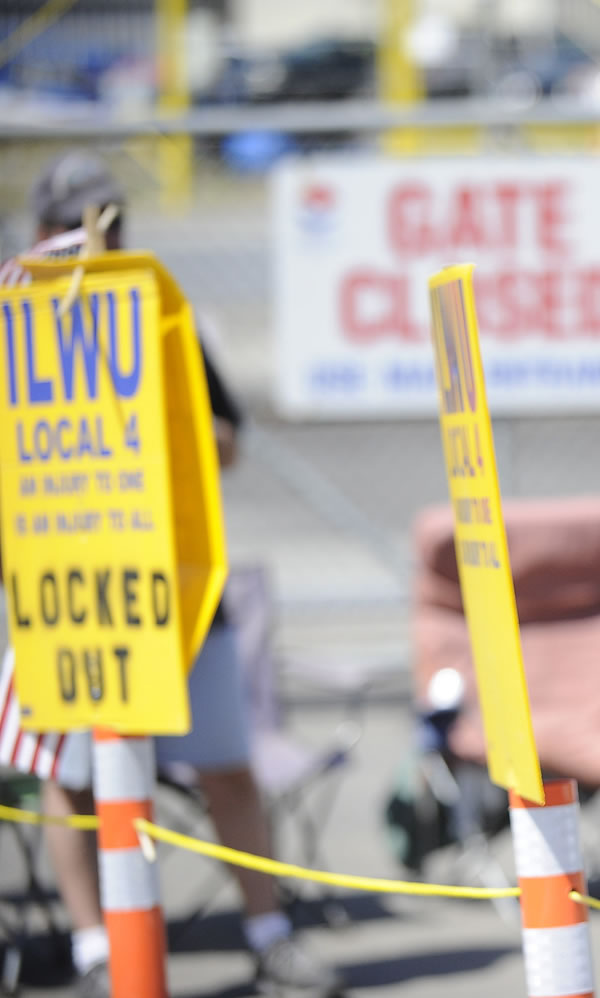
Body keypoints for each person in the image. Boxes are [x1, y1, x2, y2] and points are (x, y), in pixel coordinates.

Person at [3, 152, 345, 998]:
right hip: (71, 596)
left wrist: (156, 421)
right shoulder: (17, 318)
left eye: (113, 221)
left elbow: (225, 441)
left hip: (182, 594)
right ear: (44, 229)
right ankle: (96, 956)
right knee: (71, 781)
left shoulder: (158, 311)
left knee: (228, 764)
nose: (98, 237)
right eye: (83, 222)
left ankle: (268, 935)